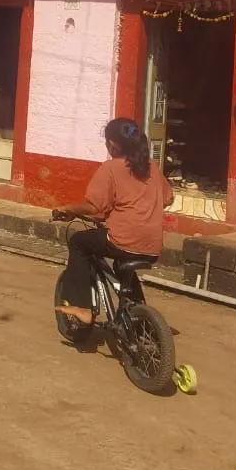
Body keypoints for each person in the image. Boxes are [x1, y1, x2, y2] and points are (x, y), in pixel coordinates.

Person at [55, 117, 172, 325]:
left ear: (112, 144)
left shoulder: (110, 168)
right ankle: (138, 318)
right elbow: (168, 198)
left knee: (79, 242)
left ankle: (81, 306)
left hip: (123, 239)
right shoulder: (152, 167)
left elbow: (94, 206)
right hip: (153, 245)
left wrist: (68, 208)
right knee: (122, 262)